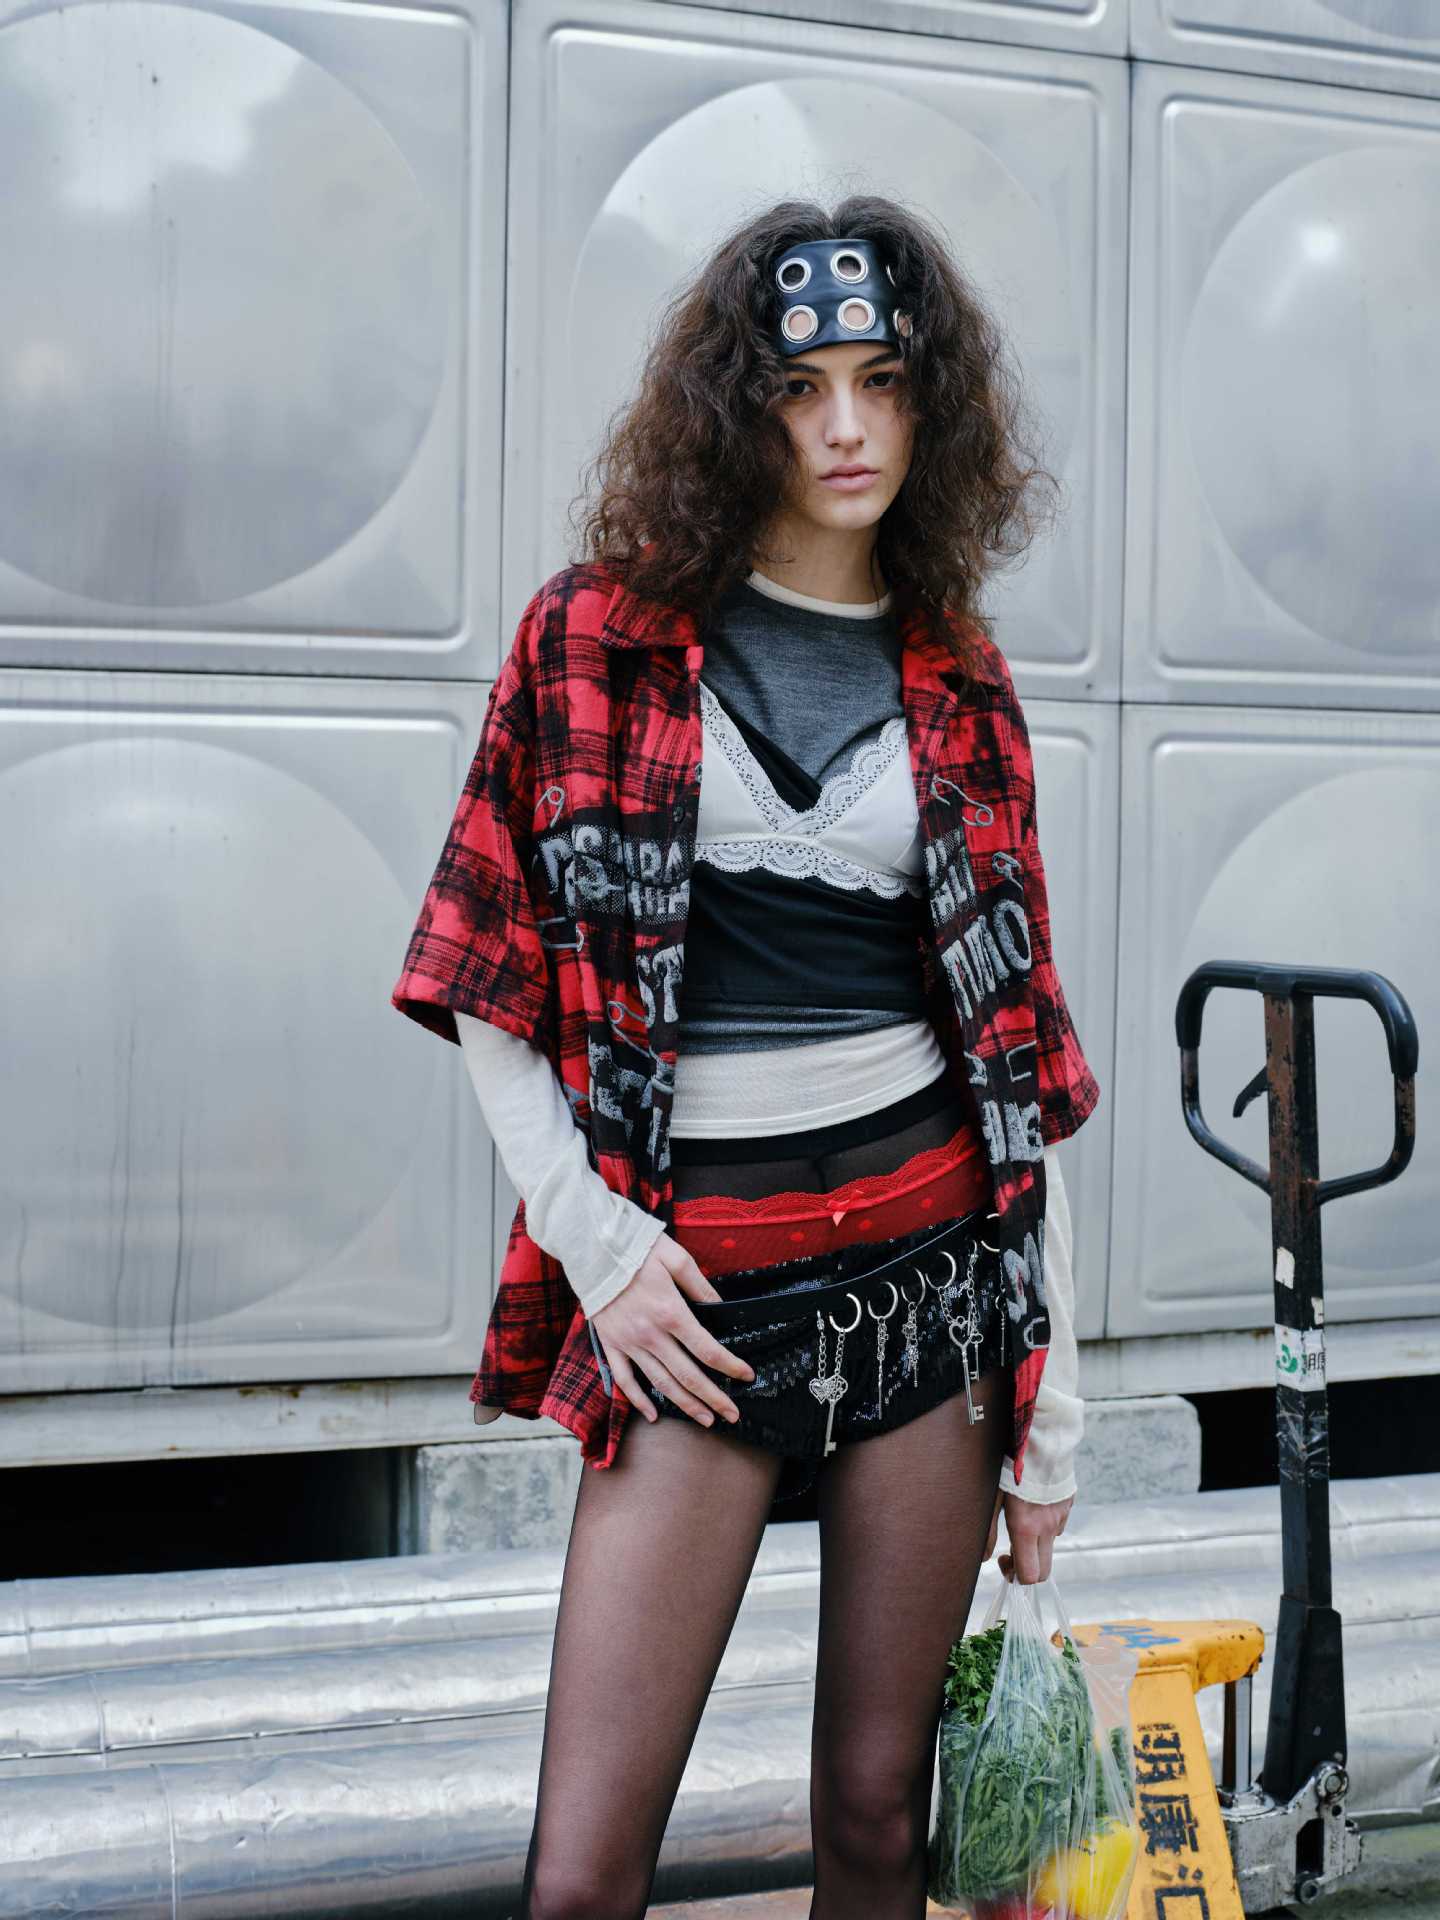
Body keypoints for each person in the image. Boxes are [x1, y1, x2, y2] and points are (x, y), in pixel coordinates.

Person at [391, 195, 1101, 1919]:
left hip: (932, 1296)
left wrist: (1054, 1417)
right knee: (583, 1874)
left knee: (877, 1825)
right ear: (737, 406)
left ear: (935, 410)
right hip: (693, 1306)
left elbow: (1010, 1069)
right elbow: (487, 977)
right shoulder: (597, 635)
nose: (846, 427)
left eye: (883, 382)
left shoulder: (962, 680)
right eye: (800, 387)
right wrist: (602, 1250)